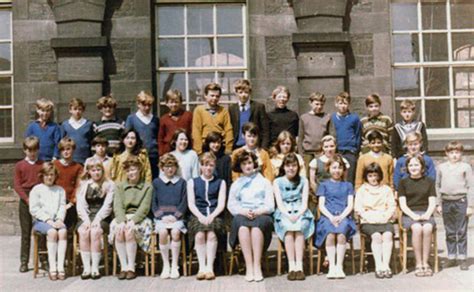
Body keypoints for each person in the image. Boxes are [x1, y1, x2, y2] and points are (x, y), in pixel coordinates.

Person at [228, 151, 275, 282]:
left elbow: (270, 205)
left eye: (249, 162)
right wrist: (243, 211)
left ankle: (257, 265)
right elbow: (231, 205)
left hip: (261, 213)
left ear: (254, 163)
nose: (248, 166)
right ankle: (248, 266)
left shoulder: (264, 182)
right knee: (242, 227)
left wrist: (259, 212)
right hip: (243, 213)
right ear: (240, 166)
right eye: (244, 163)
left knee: (256, 227)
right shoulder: (236, 184)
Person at [110, 156, 153, 280]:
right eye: (128, 171)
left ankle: (131, 267)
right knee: (119, 230)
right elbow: (117, 205)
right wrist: (122, 221)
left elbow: (145, 207)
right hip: (122, 217)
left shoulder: (147, 186)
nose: (131, 173)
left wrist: (133, 221)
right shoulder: (119, 186)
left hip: (140, 218)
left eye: (133, 169)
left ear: (139, 169)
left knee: (129, 232)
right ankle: (123, 267)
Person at [314, 155, 356, 279]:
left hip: (344, 216)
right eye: (334, 167)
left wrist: (341, 217)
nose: (337, 170)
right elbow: (321, 205)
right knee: (331, 234)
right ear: (328, 169)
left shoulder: (348, 185)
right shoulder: (323, 185)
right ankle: (332, 266)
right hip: (328, 216)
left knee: (342, 233)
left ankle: (339, 266)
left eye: (339, 168)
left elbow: (350, 205)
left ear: (343, 170)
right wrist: (331, 217)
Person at [273, 153, 314, 281]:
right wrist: (288, 215)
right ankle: (291, 266)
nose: (291, 168)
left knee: (300, 227)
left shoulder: (304, 181)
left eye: (294, 165)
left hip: (301, 211)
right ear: (284, 167)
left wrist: (298, 214)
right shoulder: (277, 182)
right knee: (288, 229)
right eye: (288, 165)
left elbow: (304, 202)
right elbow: (279, 203)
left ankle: (299, 266)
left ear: (298, 167)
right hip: (284, 211)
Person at [187, 152, 227, 280]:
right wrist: (200, 216)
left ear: (214, 166)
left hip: (215, 215)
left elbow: (221, 204)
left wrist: (212, 216)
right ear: (200, 166)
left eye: (211, 165)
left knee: (211, 234)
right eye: (205, 165)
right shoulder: (192, 182)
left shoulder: (221, 182)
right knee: (199, 234)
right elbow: (191, 204)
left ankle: (210, 267)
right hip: (197, 215)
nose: (208, 168)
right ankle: (201, 267)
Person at [436, 141, 473, 271]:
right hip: (446, 201)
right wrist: (438, 203)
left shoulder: (465, 167)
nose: (454, 155)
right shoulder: (441, 167)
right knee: (450, 231)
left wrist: (470, 206)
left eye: (457, 152)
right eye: (451, 152)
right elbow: (437, 185)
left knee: (461, 231)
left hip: (461, 201)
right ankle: (452, 257)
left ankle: (462, 258)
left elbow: (470, 186)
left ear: (461, 153)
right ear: (447, 154)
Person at [354, 162, 396, 279]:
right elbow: (358, 208)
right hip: (368, 220)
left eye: (375, 175)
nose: (373, 178)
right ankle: (378, 266)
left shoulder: (386, 189)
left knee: (388, 235)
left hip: (384, 218)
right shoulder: (362, 190)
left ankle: (386, 265)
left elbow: (391, 206)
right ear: (366, 177)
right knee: (377, 236)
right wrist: (370, 217)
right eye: (370, 176)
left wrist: (385, 216)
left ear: (379, 176)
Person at [76, 158, 114, 280]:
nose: (96, 173)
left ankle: (95, 268)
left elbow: (107, 206)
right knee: (83, 231)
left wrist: (97, 220)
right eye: (93, 170)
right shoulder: (83, 185)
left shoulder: (109, 185)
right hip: (86, 216)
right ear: (89, 172)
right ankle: (86, 268)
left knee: (95, 231)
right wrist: (86, 220)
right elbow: (80, 205)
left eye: (99, 170)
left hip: (103, 217)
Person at [399, 155, 437, 277]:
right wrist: (413, 216)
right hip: (410, 214)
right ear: (407, 168)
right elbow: (403, 204)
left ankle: (426, 263)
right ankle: (418, 263)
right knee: (416, 228)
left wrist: (427, 214)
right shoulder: (403, 182)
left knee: (427, 228)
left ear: (422, 167)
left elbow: (432, 202)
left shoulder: (429, 181)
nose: (413, 167)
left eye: (416, 165)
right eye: (410, 165)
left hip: (426, 212)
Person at [29, 162, 67, 281]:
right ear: (42, 176)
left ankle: (60, 267)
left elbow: (62, 206)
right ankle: (52, 267)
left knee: (62, 232)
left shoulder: (60, 190)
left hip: (57, 220)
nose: (49, 177)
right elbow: (34, 209)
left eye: (52, 175)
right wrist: (48, 220)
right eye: (46, 175)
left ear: (55, 176)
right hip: (41, 221)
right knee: (52, 232)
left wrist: (60, 219)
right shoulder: (37, 189)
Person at [152, 153, 188, 279]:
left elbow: (184, 202)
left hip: (176, 218)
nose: (170, 169)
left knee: (175, 233)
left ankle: (175, 265)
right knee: (162, 233)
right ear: (162, 168)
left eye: (172, 166)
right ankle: (166, 265)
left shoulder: (182, 182)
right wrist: (161, 216)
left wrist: (176, 216)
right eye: (167, 166)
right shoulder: (157, 182)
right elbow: (154, 202)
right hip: (162, 218)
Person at [14, 137, 45, 272]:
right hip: (26, 199)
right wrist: (27, 199)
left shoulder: (42, 164)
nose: (32, 153)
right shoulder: (19, 165)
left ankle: (43, 259)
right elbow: (17, 185)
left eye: (34, 150)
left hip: (40, 199)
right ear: (24, 150)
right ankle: (24, 261)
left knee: (42, 230)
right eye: (29, 150)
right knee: (26, 232)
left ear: (38, 149)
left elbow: (45, 182)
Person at [125, 91, 160, 179]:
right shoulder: (131, 119)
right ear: (138, 104)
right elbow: (127, 137)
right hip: (137, 155)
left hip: (153, 156)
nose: (147, 107)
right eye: (144, 105)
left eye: (149, 105)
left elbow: (158, 137)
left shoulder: (155, 120)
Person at [329, 91, 362, 185]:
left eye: (345, 103)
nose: (343, 106)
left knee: (349, 178)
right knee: (336, 176)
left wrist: (356, 151)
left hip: (350, 152)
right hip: (337, 151)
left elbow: (358, 135)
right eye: (340, 103)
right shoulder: (332, 118)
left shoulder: (354, 118)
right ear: (336, 104)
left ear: (349, 104)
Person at [192, 83, 233, 155]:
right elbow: (196, 131)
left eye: (217, 96)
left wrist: (228, 148)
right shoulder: (199, 110)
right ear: (205, 95)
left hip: (220, 147)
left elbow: (228, 130)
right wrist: (199, 151)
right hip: (205, 147)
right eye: (212, 95)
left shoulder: (223, 111)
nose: (214, 98)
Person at [229, 79, 270, 149]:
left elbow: (265, 130)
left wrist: (264, 148)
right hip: (237, 146)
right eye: (240, 92)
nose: (243, 95)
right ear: (236, 93)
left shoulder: (258, 107)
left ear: (250, 93)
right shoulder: (232, 108)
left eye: (246, 92)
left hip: (254, 146)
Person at [53, 138, 83, 231]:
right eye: (63, 150)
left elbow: (78, 186)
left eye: (68, 149)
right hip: (56, 201)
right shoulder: (55, 165)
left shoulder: (78, 167)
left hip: (70, 202)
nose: (65, 152)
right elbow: (50, 184)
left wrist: (72, 202)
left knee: (69, 230)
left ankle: (69, 244)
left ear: (73, 149)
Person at [298, 92, 331, 172]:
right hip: (307, 153)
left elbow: (331, 136)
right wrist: (301, 154)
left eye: (321, 104)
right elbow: (300, 137)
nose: (319, 107)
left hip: (322, 153)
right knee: (308, 176)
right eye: (316, 104)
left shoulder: (327, 117)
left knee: (321, 175)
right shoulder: (304, 118)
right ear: (310, 103)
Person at [158, 89, 193, 156]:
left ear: (181, 102)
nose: (174, 104)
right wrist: (161, 154)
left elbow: (192, 134)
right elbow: (160, 138)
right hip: (168, 151)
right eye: (171, 102)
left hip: (185, 150)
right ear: (167, 103)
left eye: (176, 102)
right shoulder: (163, 119)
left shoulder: (188, 116)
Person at [60, 98, 94, 164]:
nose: (77, 111)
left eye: (80, 109)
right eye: (75, 109)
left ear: (83, 110)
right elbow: (62, 143)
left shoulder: (88, 124)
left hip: (85, 159)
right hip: (70, 159)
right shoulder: (65, 125)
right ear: (70, 110)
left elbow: (91, 141)